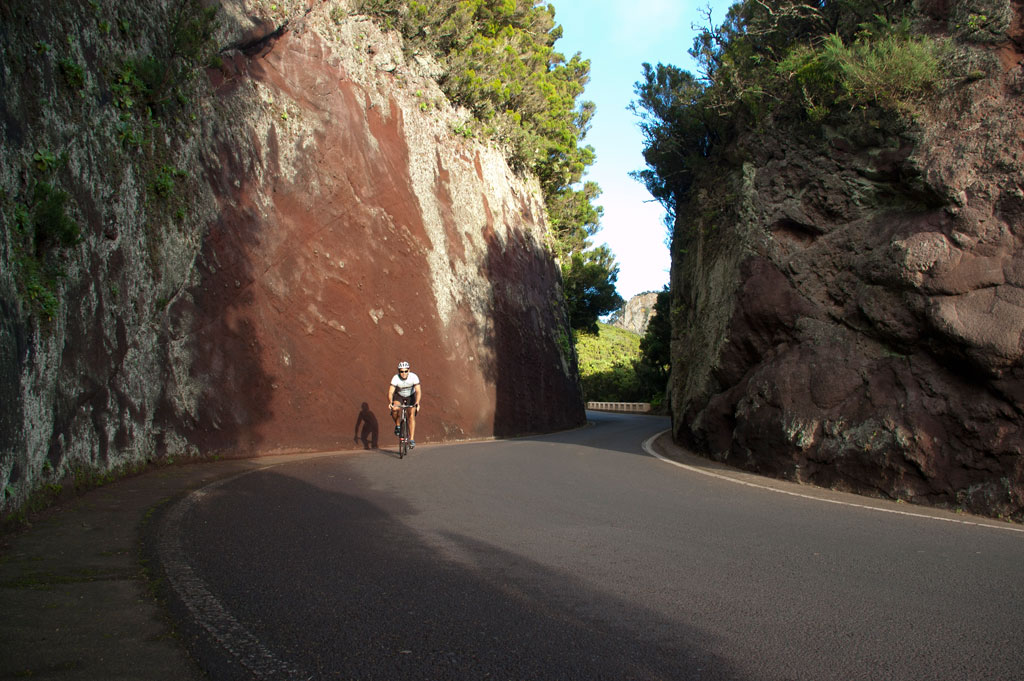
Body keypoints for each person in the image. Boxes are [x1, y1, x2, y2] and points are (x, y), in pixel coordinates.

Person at [388, 361, 421, 449]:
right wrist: (391, 402)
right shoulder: (395, 378)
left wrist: (417, 402)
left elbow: (418, 391)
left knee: (411, 415)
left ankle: (412, 439)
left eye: (405, 371)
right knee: (395, 409)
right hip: (399, 396)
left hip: (411, 397)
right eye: (401, 371)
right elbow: (391, 392)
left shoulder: (414, 377)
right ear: (398, 371)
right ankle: (398, 425)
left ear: (409, 370)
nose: (403, 373)